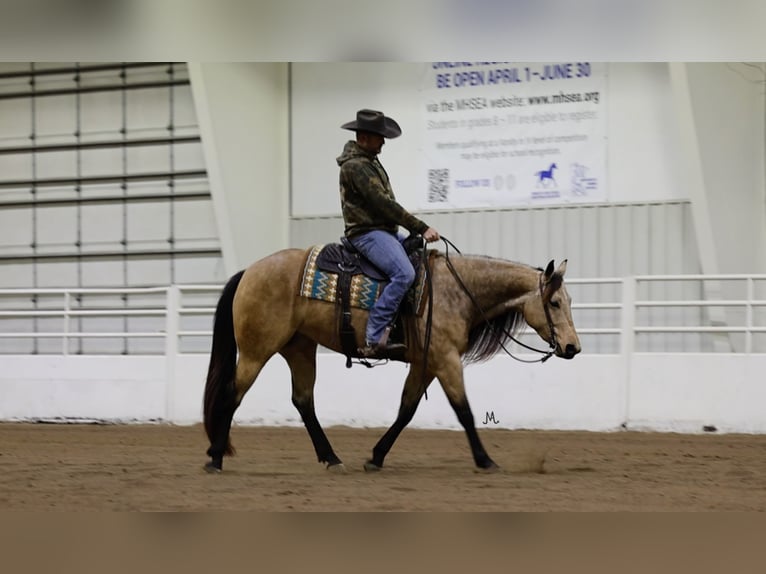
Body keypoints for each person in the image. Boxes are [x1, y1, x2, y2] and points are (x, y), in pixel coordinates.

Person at [337, 108, 441, 358]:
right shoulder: (356, 167)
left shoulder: (370, 162)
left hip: (383, 231)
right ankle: (374, 335)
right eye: (378, 136)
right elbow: (383, 204)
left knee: (420, 262)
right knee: (404, 273)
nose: (383, 141)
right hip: (366, 233)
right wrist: (420, 227)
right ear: (364, 137)